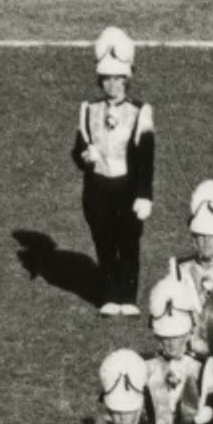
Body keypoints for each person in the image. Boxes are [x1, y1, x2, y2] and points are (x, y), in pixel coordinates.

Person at [71, 27, 155, 315]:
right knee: (104, 242)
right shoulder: (88, 109)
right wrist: (85, 155)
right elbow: (77, 150)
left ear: (127, 79)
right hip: (98, 188)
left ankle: (128, 297)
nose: (112, 84)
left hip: (127, 186)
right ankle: (109, 294)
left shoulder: (139, 111)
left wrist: (145, 194)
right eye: (107, 78)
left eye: (118, 78)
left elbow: (146, 157)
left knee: (128, 242)